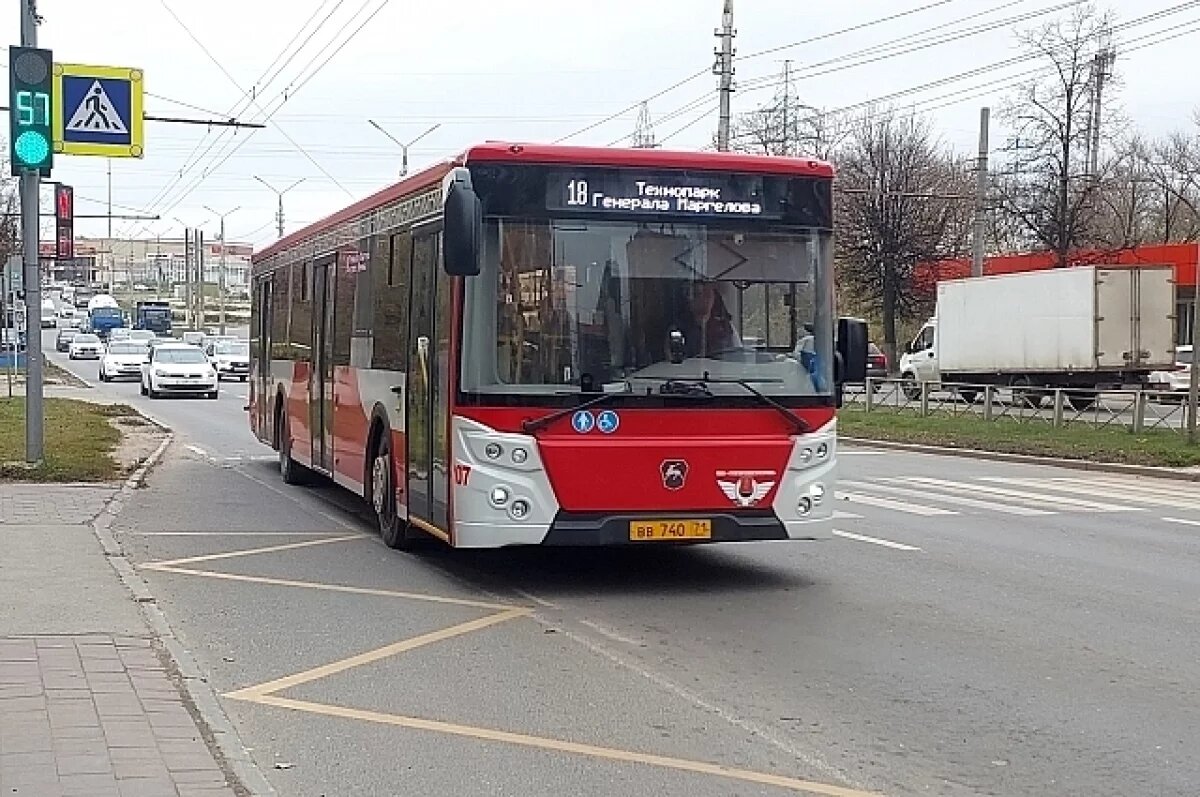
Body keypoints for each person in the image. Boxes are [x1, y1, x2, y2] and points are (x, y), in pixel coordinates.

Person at [669, 281, 741, 360]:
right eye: (698, 293)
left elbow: (738, 357)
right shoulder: (676, 331)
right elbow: (672, 361)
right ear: (688, 300)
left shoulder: (726, 328)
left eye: (709, 292)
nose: (706, 298)